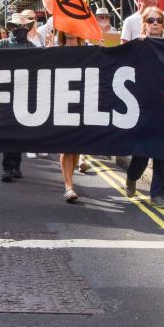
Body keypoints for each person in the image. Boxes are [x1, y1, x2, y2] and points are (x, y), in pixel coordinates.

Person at [124, 7, 164, 208]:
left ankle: (158, 194)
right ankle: (132, 176)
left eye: (159, 20)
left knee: (162, 150)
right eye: (151, 20)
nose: (155, 24)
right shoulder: (137, 46)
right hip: (141, 105)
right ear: (144, 23)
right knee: (141, 153)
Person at [0, 13, 37, 182]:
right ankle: (7, 167)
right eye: (18, 27)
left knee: (19, 131)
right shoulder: (2, 45)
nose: (21, 30)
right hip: (5, 93)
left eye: (24, 27)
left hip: (24, 93)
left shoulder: (32, 47)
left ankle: (17, 164)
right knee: (7, 131)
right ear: (12, 27)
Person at [55, 30, 90, 202]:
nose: (69, 30)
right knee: (65, 145)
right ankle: (68, 187)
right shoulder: (55, 50)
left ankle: (73, 167)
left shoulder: (90, 50)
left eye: (73, 27)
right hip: (62, 102)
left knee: (76, 146)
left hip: (84, 102)